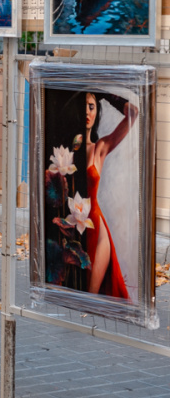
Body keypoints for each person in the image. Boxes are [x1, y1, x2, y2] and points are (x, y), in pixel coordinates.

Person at [84, 91, 135, 298]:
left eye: (91, 106)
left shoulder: (100, 149)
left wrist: (104, 94)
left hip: (97, 230)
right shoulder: (66, 149)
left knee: (91, 294)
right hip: (74, 224)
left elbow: (133, 113)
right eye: (83, 106)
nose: (87, 112)